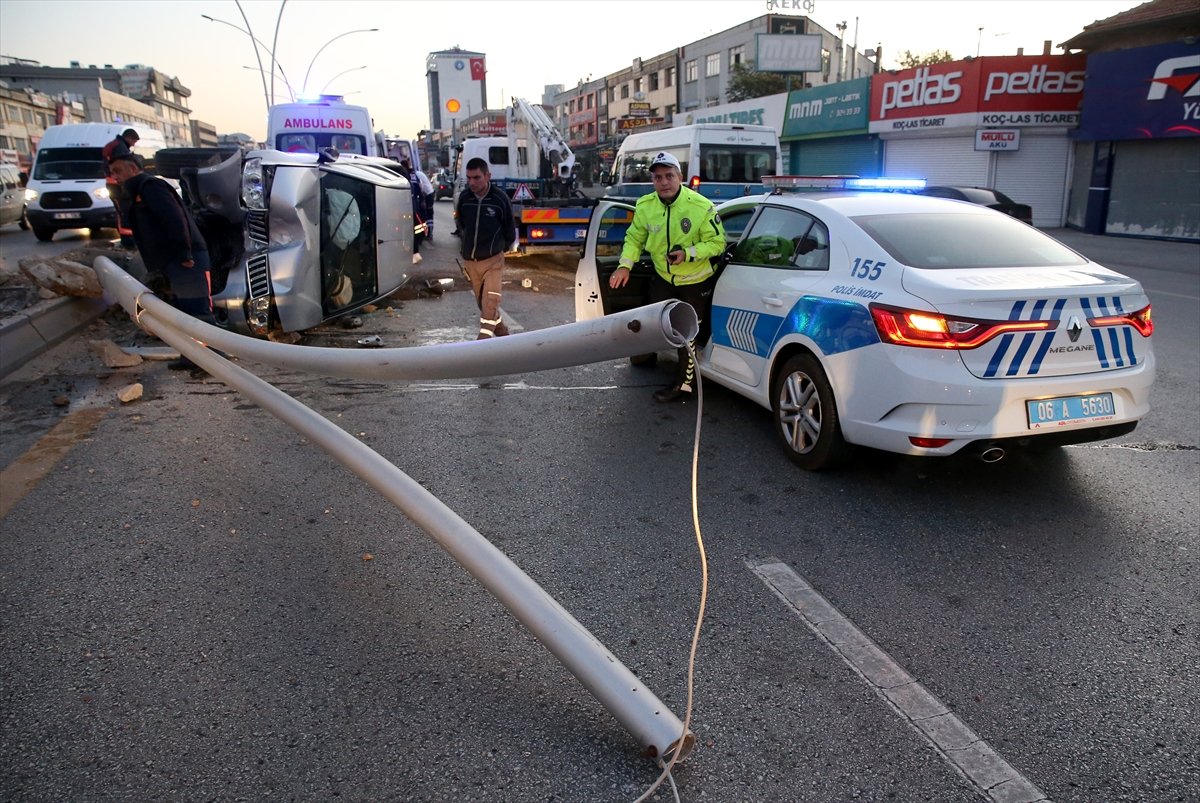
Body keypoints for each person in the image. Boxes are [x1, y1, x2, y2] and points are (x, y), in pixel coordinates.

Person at [609, 151, 725, 402]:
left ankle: (684, 385)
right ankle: (646, 355)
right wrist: (624, 266)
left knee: (686, 334)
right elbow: (634, 239)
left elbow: (717, 243)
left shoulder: (701, 206)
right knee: (652, 322)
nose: (663, 182)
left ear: (680, 177)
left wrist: (688, 253)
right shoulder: (645, 206)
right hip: (663, 276)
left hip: (695, 280)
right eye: (657, 177)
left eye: (669, 176)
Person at [108, 152, 216, 374]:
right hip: (172, 260)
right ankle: (191, 356)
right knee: (182, 313)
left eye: (118, 171)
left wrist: (185, 254)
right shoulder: (137, 191)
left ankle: (213, 360)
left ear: (133, 169)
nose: (115, 177)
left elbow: (174, 219)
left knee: (198, 310)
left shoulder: (151, 188)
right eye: (112, 173)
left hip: (186, 259)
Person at [456, 157, 516, 339]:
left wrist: (500, 249)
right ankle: (501, 332)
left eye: (477, 177)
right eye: (469, 178)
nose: (472, 182)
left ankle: (483, 341)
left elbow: (509, 229)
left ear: (487, 176)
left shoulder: (500, 199)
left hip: (493, 260)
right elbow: (461, 223)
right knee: (483, 304)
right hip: (471, 262)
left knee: (491, 300)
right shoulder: (465, 198)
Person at [102, 128, 139, 247]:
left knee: (122, 211)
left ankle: (128, 238)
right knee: (125, 210)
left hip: (113, 183)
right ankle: (128, 240)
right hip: (117, 184)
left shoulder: (115, 145)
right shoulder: (120, 147)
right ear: (129, 138)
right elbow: (123, 166)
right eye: (134, 141)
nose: (133, 144)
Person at [399, 159, 429, 263]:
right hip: (412, 210)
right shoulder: (413, 178)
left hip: (408, 211)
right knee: (411, 232)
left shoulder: (403, 179)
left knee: (408, 232)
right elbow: (420, 191)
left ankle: (413, 252)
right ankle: (414, 252)